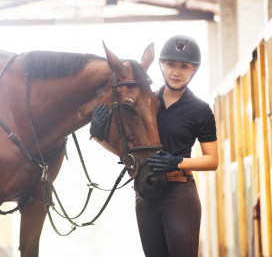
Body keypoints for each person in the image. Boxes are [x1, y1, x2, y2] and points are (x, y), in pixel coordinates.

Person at [90, 35, 218, 257]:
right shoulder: (147, 103)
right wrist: (98, 135)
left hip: (179, 194)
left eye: (184, 66)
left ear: (194, 70)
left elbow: (213, 160)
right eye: (170, 64)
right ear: (161, 65)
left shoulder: (200, 110)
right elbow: (127, 152)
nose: (176, 72)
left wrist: (177, 161)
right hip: (146, 194)